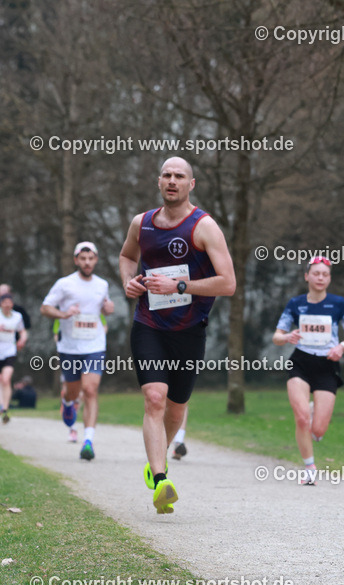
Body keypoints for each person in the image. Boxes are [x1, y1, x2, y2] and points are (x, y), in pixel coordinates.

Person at [119, 156, 236, 513]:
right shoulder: (143, 223)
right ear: (159, 182)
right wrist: (129, 281)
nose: (172, 181)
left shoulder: (204, 227)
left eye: (179, 176)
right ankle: (160, 479)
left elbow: (228, 284)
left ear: (191, 184)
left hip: (189, 330)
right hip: (149, 325)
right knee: (155, 398)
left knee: (176, 408)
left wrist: (178, 284)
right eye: (167, 175)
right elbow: (127, 256)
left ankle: (159, 460)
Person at [273, 256, 344, 485]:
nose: (320, 278)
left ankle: (313, 412)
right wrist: (287, 336)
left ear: (329, 278)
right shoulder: (296, 304)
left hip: (327, 365)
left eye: (325, 274)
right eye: (316, 273)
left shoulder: (338, 303)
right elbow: (277, 337)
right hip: (300, 362)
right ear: (307, 276)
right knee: (301, 418)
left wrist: (342, 346)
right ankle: (310, 467)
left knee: (318, 430)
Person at [41, 241, 115, 459]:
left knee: (90, 390)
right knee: (74, 392)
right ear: (76, 260)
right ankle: (67, 402)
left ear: (96, 260)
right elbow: (45, 308)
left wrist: (108, 308)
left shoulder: (102, 284)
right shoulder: (64, 284)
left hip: (94, 345)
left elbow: (105, 306)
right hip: (70, 347)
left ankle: (88, 441)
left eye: (91, 258)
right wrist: (63, 314)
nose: (87, 262)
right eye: (83, 259)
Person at [0, 293, 28, 424]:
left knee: (6, 379)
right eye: (4, 302)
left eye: (9, 302)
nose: (7, 304)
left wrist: (22, 339)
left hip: (9, 351)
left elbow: (22, 331)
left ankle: (5, 409)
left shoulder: (17, 316)